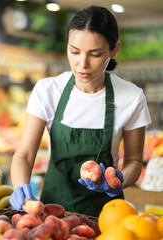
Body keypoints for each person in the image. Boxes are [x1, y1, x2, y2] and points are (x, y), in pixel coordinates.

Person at [9, 5, 152, 217]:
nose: (82, 64)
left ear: (114, 50)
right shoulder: (48, 90)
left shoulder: (131, 97)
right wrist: (20, 186)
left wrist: (118, 181)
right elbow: (25, 154)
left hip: (106, 216)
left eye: (95, 54)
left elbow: (134, 162)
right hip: (53, 214)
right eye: (74, 52)